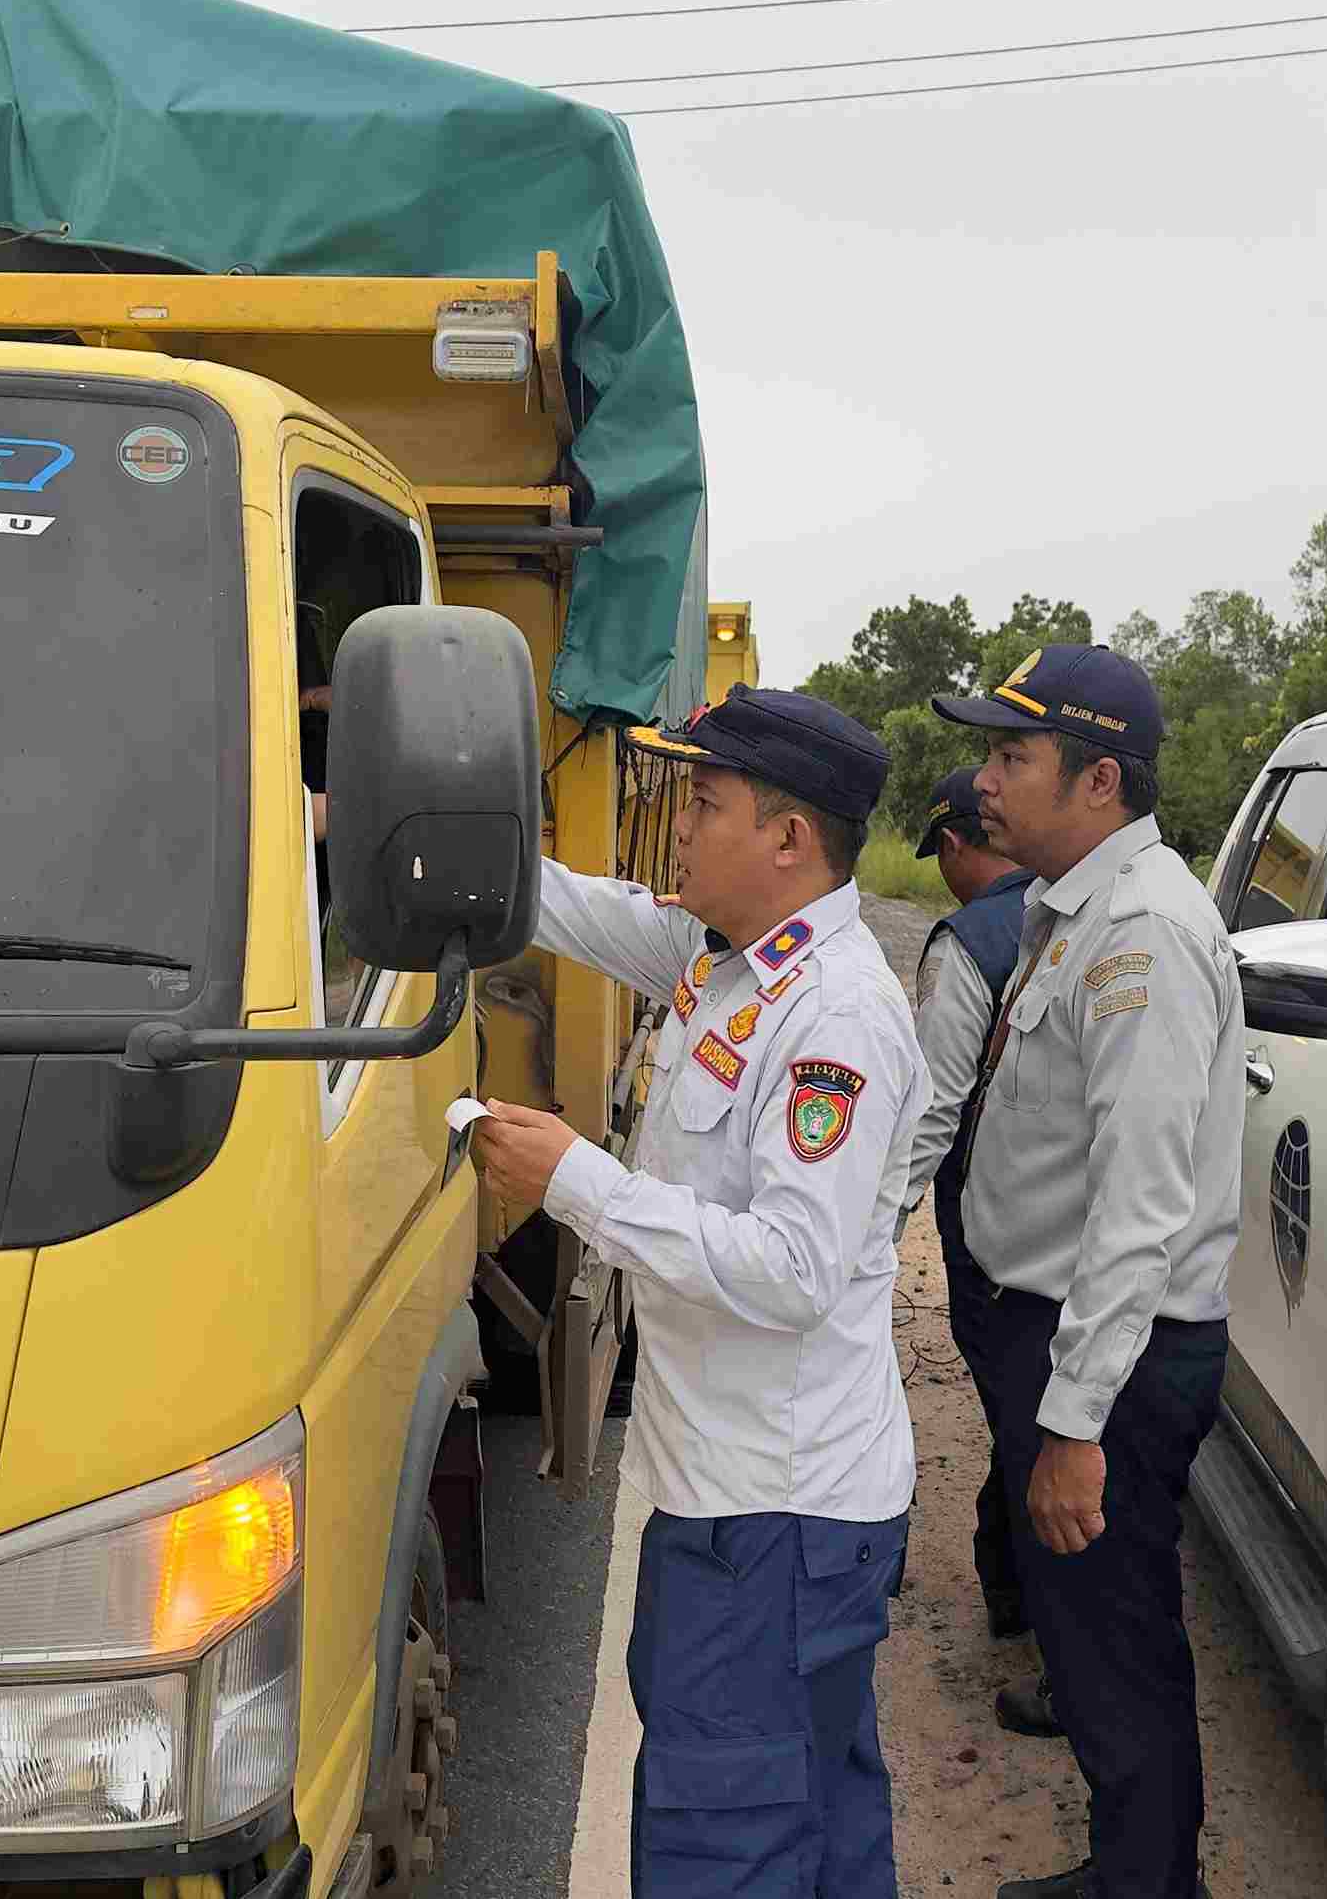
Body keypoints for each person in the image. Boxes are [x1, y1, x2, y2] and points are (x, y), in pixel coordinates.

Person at [467, 685, 926, 1899]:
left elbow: (790, 1269)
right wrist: (389, 832)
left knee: (721, 1842)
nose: (677, 825)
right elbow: (588, 910)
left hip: (772, 1518)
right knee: (816, 1820)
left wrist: (575, 1180)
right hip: (750, 1501)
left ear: (789, 838)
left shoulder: (833, 1016)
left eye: (705, 804)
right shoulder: (729, 962)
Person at [929, 646, 1244, 1899]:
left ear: (1098, 780)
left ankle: (1148, 1884)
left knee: (1117, 1646)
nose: (984, 780)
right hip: (1061, 1334)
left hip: (1107, 1352)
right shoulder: (1075, 906)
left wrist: (1072, 1425)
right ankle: (1129, 1867)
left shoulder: (1143, 934)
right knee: (1087, 1636)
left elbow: (1139, 1204)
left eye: (1012, 756)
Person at [897, 769, 1047, 1676]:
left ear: (954, 845)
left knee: (1021, 1416)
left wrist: (881, 1224)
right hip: (1067, 1223)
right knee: (1040, 1408)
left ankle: (1023, 1593)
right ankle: (1009, 1576)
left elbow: (932, 1111)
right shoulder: (1072, 910)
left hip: (989, 1228)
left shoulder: (968, 941)